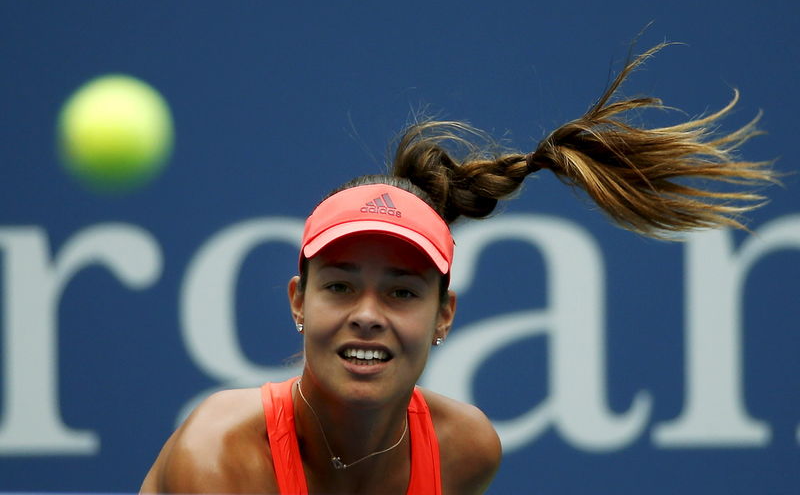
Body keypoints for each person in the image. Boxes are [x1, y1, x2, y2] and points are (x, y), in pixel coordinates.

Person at [139, 43, 775, 494]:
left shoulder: (465, 451)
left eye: (401, 292)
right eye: (338, 285)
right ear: (298, 303)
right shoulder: (219, 452)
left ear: (443, 315)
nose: (367, 314)